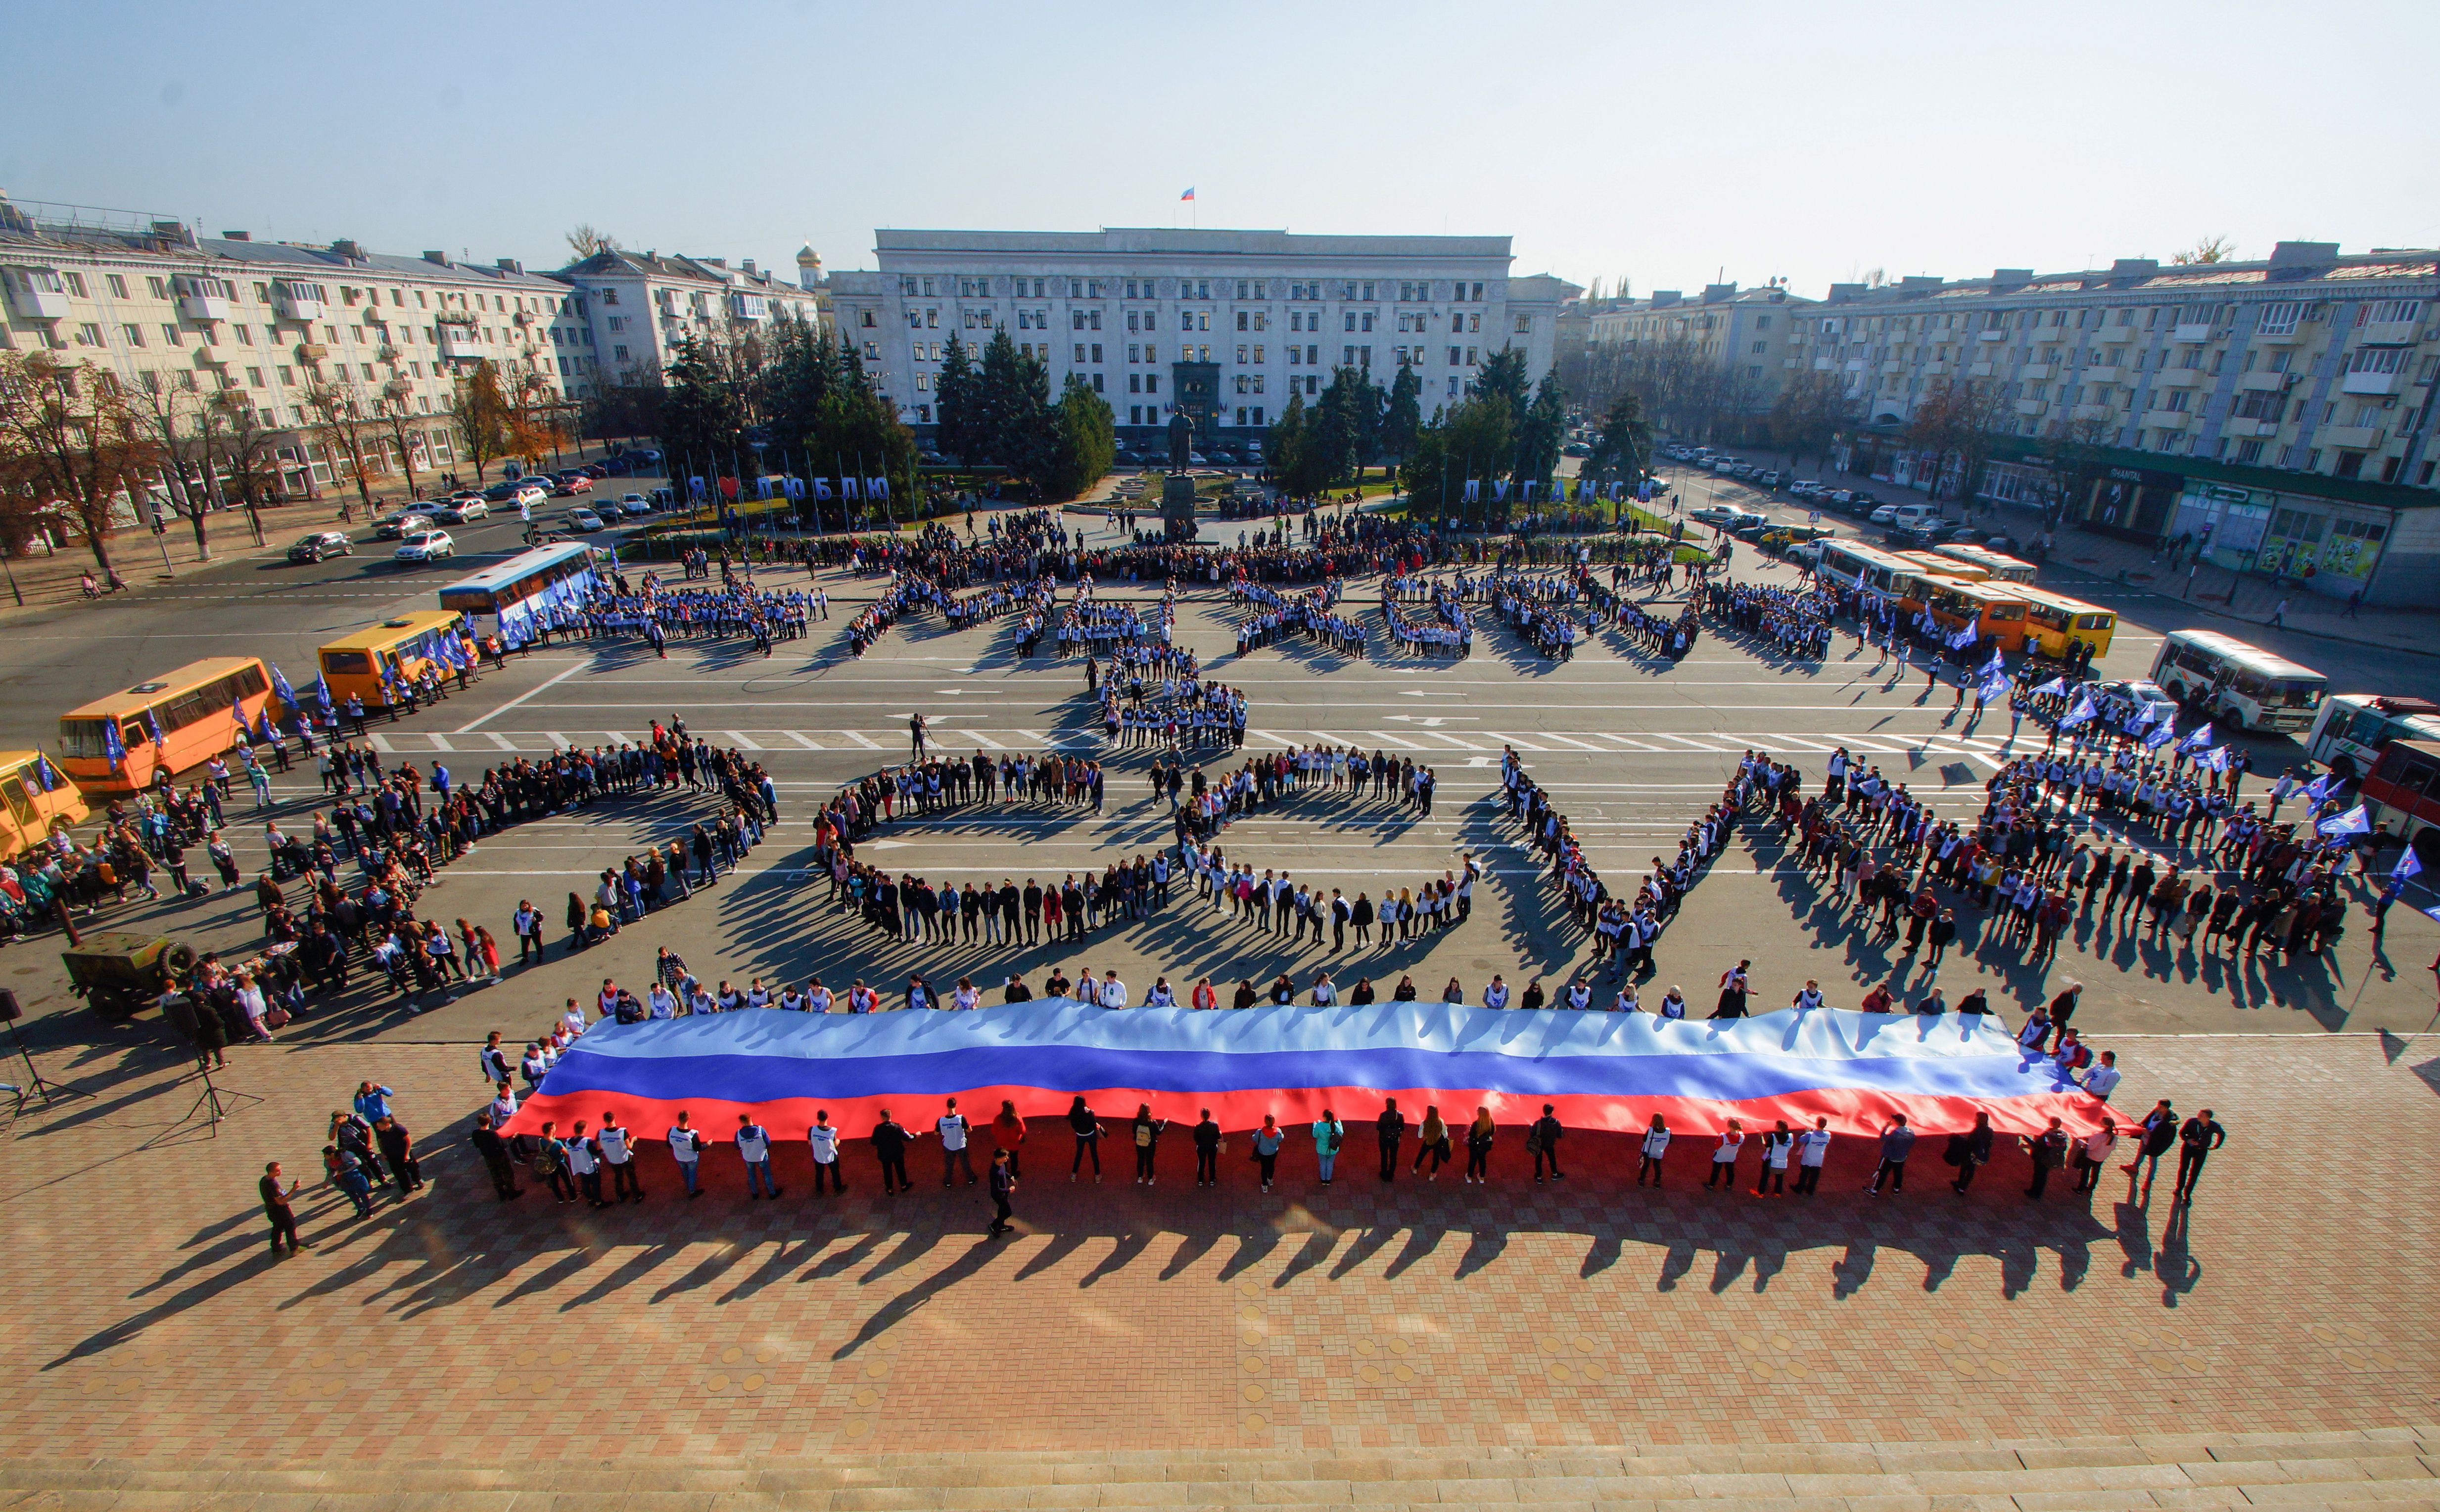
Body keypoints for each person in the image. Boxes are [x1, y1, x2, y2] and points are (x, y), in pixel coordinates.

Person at [2173, 1108, 2226, 1204]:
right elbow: (2182, 1133)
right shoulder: (2192, 1122)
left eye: (2201, 1115)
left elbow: (2222, 1134)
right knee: (2183, 1168)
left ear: (2208, 1118)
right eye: (2199, 1114)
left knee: (2195, 1173)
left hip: (2201, 1151)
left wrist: (2216, 1146)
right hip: (2188, 1148)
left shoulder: (2213, 1126)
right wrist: (2188, 1140)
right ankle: (2179, 1188)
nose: (2198, 1116)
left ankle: (2188, 1194)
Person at [469, 1111, 522, 1201]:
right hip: (500, 1156)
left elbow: (477, 1145)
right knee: (507, 1173)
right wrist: (513, 1137)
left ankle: (501, 1193)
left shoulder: (475, 1133)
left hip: (488, 1157)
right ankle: (511, 1192)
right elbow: (503, 1145)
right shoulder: (493, 1134)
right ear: (489, 1121)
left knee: (495, 1174)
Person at [260, 1161, 308, 1258]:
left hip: (271, 1209)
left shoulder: (264, 1180)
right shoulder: (272, 1184)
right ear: (272, 1172)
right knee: (290, 1225)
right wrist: (294, 1189)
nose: (280, 1172)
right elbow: (280, 1201)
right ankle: (294, 1248)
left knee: (277, 1227)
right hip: (280, 1210)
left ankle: (276, 1248)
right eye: (278, 1171)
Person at [597, 1113, 642, 1202]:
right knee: (631, 1176)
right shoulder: (622, 1132)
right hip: (624, 1158)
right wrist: (633, 1140)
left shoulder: (601, 1133)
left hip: (612, 1159)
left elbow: (599, 1147)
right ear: (614, 1118)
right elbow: (629, 1147)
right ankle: (637, 1195)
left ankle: (620, 1196)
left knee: (618, 1176)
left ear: (605, 1120)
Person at [1949, 1110, 1995, 1194]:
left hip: (1971, 1153)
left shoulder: (1977, 1131)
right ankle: (1961, 1185)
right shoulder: (1989, 1131)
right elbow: (1989, 1144)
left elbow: (1970, 1142)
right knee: (1969, 1169)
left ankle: (1961, 1187)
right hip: (1979, 1153)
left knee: (1967, 1169)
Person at [1867, 1114, 1915, 1194]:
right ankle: (1897, 1188)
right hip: (1901, 1157)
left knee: (1882, 1173)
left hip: (1890, 1157)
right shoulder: (1911, 1133)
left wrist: (1886, 1127)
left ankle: (1874, 1190)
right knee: (1898, 1173)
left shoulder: (1896, 1133)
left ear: (1897, 1122)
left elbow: (1883, 1138)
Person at [2022, 1116, 2069, 1198]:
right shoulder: (2063, 1136)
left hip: (2042, 1158)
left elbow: (2037, 1146)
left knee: (2038, 1175)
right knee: (2044, 1176)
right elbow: (2064, 1148)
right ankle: (2039, 1193)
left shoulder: (2047, 1135)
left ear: (2051, 1123)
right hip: (2051, 1159)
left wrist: (2026, 1139)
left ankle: (2034, 1193)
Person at [737, 1113, 780, 1199]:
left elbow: (737, 1146)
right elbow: (768, 1142)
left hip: (748, 1157)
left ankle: (755, 1194)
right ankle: (772, 1193)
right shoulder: (761, 1130)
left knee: (751, 1175)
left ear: (742, 1122)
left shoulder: (739, 1133)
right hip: (761, 1155)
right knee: (767, 1174)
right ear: (751, 1119)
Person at [871, 1108, 913, 1194]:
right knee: (900, 1169)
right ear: (891, 1115)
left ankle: (890, 1189)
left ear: (882, 1117)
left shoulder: (878, 1129)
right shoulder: (897, 1127)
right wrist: (915, 1136)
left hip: (884, 1154)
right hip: (897, 1152)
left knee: (887, 1171)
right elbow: (907, 1138)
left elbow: (873, 1142)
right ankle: (904, 1186)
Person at [937, 1098, 977, 1186]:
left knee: (949, 1164)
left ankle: (948, 1182)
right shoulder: (961, 1119)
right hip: (961, 1145)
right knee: (965, 1163)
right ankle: (971, 1180)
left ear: (947, 1106)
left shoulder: (941, 1120)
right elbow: (970, 1130)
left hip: (948, 1145)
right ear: (956, 1105)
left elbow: (936, 1133)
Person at [1066, 1095, 1105, 1182]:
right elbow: (1093, 1124)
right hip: (1091, 1135)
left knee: (1079, 1155)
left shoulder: (1073, 1112)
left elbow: (1073, 1126)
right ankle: (1097, 1175)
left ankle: (1074, 1175)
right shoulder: (1089, 1112)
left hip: (1080, 1136)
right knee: (1094, 1154)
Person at [2073, 1120, 2117, 1192]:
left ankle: (2080, 1189)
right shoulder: (2114, 1138)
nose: (2100, 1122)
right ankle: (2091, 1188)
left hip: (2091, 1157)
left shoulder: (2098, 1136)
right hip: (2101, 1158)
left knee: (2085, 1173)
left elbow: (2090, 1147)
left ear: (2106, 1126)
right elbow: (2113, 1148)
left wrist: (2080, 1142)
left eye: (2102, 1122)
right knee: (2095, 1173)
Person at [668, 1112, 704, 1197]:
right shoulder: (692, 1134)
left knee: (685, 1172)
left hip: (679, 1157)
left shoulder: (672, 1131)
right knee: (692, 1174)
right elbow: (698, 1148)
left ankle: (688, 1185)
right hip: (691, 1159)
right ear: (689, 1119)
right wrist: (708, 1144)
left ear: (678, 1119)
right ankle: (692, 1191)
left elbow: (669, 1145)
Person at [1793, 1117, 1831, 1195]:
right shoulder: (1828, 1135)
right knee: (1815, 1176)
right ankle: (1811, 1190)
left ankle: (1800, 1188)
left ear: (1817, 1124)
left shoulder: (1810, 1135)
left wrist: (1806, 1133)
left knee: (1804, 1174)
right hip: (1819, 1159)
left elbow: (1801, 1140)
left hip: (1808, 1158)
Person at [807, 1110, 843, 1194]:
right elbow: (835, 1144)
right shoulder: (832, 1131)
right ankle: (838, 1188)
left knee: (819, 1173)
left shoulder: (812, 1129)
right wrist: (838, 1141)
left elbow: (810, 1143)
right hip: (831, 1156)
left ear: (818, 1118)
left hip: (818, 1155)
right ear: (828, 1117)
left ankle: (819, 1189)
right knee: (835, 1172)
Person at [1129, 1103, 1165, 1183]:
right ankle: (1150, 1178)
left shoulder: (1136, 1121)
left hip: (1139, 1143)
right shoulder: (1152, 1123)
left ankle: (1140, 1177)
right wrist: (1164, 1123)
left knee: (1140, 1159)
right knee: (1149, 1161)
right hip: (1150, 1144)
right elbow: (1159, 1132)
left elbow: (1134, 1131)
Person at [990, 1099, 1027, 1179]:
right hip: (1014, 1143)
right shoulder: (1017, 1118)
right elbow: (1023, 1130)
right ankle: (1014, 1173)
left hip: (1003, 1143)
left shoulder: (999, 1119)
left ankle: (1005, 1173)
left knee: (1004, 1159)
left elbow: (993, 1131)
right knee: (1014, 1158)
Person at [1529, 1103, 1565, 1181]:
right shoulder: (1556, 1123)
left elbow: (1532, 1134)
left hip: (1539, 1144)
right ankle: (1555, 1174)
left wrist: (1531, 1128)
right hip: (1549, 1144)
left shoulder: (1538, 1123)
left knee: (1539, 1159)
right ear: (1552, 1112)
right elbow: (1560, 1135)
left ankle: (1539, 1177)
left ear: (1544, 1111)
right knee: (1552, 1158)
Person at [1706, 1119, 1744, 1190]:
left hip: (1720, 1157)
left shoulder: (1723, 1137)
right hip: (1731, 1157)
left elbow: (1717, 1146)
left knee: (1716, 1171)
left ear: (1729, 1126)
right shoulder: (1742, 1136)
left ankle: (1711, 1186)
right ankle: (1729, 1185)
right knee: (1730, 1171)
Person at [987, 1147, 1017, 1236]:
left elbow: (1004, 1173)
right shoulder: (994, 1172)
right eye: (1005, 1157)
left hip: (1003, 1194)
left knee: (1002, 1209)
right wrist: (1009, 1190)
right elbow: (996, 1188)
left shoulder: (1001, 1165)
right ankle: (994, 1225)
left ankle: (1001, 1226)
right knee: (1008, 1212)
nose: (1007, 1159)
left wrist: (1010, 1177)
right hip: (998, 1195)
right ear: (999, 1158)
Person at [1375, 1097, 1406, 1181]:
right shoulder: (1399, 1115)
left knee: (1384, 1156)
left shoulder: (1383, 1115)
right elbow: (1402, 1128)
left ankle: (1384, 1173)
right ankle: (1391, 1173)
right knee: (1393, 1156)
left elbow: (1378, 1127)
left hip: (1384, 1139)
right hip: (1395, 1140)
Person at [1251, 1114, 1284, 1192]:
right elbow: (1281, 1139)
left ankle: (1265, 1185)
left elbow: (1254, 1138)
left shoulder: (1260, 1132)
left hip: (1262, 1153)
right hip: (1273, 1152)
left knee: (1264, 1168)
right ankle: (1270, 1179)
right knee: (1271, 1165)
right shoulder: (1278, 1132)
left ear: (1265, 1122)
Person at [1312, 1109, 1344, 1185]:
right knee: (1330, 1164)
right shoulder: (1335, 1126)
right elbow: (1341, 1132)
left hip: (1321, 1149)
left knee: (1323, 1164)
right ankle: (1328, 1180)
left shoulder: (1319, 1126)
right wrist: (1339, 1123)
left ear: (1325, 1117)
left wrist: (1315, 1126)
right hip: (1333, 1149)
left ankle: (1323, 1180)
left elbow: (1315, 1135)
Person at [1192, 1108, 1222, 1187]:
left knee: (1201, 1163)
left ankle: (1201, 1180)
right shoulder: (1215, 1125)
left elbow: (1195, 1138)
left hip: (1201, 1147)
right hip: (1212, 1147)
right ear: (1209, 1116)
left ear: (1201, 1116)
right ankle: (1212, 1180)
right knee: (1212, 1163)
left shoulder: (1198, 1127)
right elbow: (1218, 1136)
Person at [1637, 1115, 1670, 1186]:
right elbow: (1671, 1141)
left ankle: (1642, 1180)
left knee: (1646, 1166)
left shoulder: (1651, 1130)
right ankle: (1657, 1182)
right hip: (1659, 1152)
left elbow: (1645, 1139)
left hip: (1649, 1151)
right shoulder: (1667, 1131)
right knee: (1657, 1166)